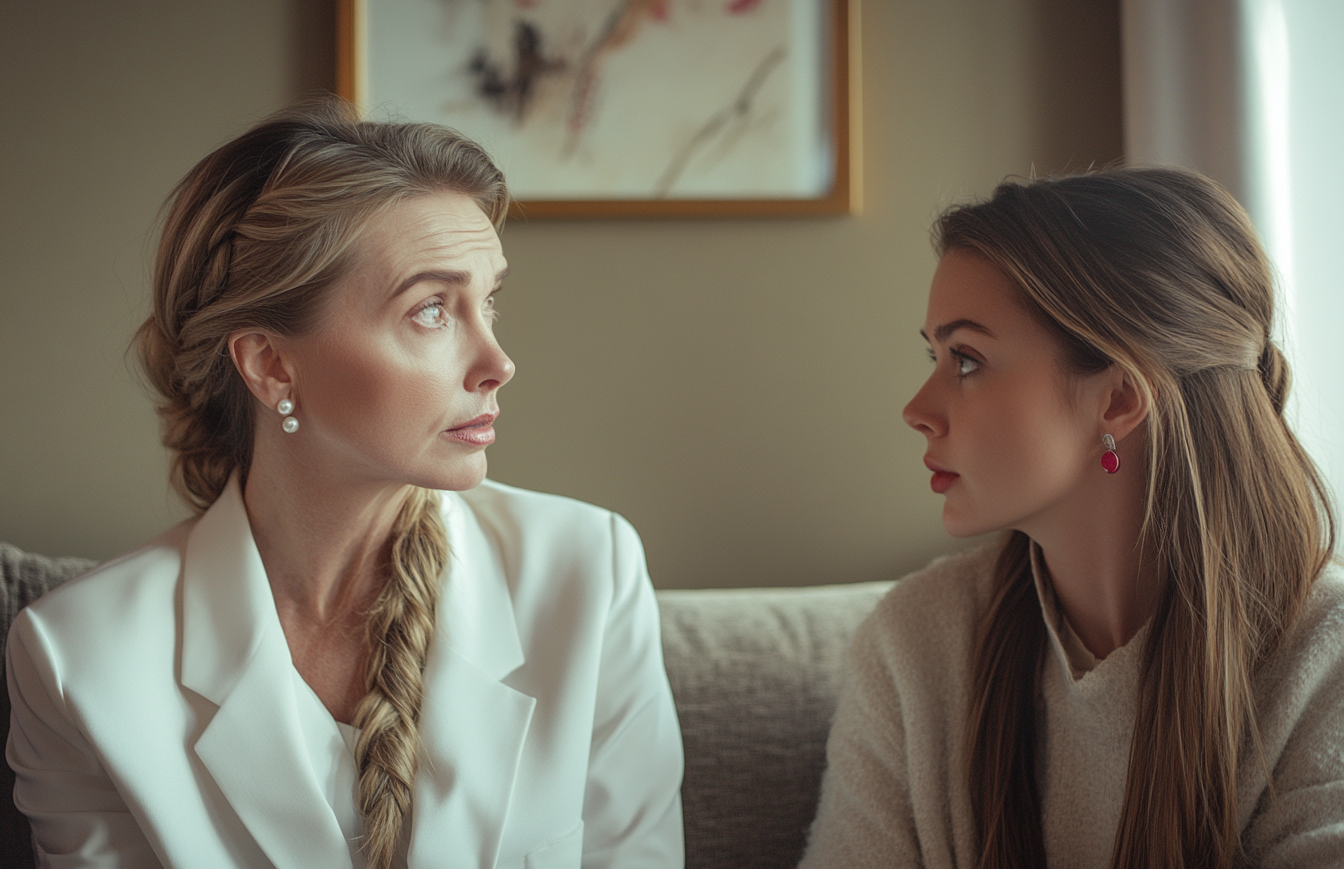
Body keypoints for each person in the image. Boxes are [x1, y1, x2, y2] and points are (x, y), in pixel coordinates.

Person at [5, 98, 684, 868]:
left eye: (487, 300)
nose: (498, 362)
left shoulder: (588, 571)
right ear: (270, 364)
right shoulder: (76, 663)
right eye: (432, 309)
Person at [799, 168, 1342, 869]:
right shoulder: (914, 646)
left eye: (966, 359)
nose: (917, 409)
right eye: (933, 356)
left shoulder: (1323, 663)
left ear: (1118, 399)